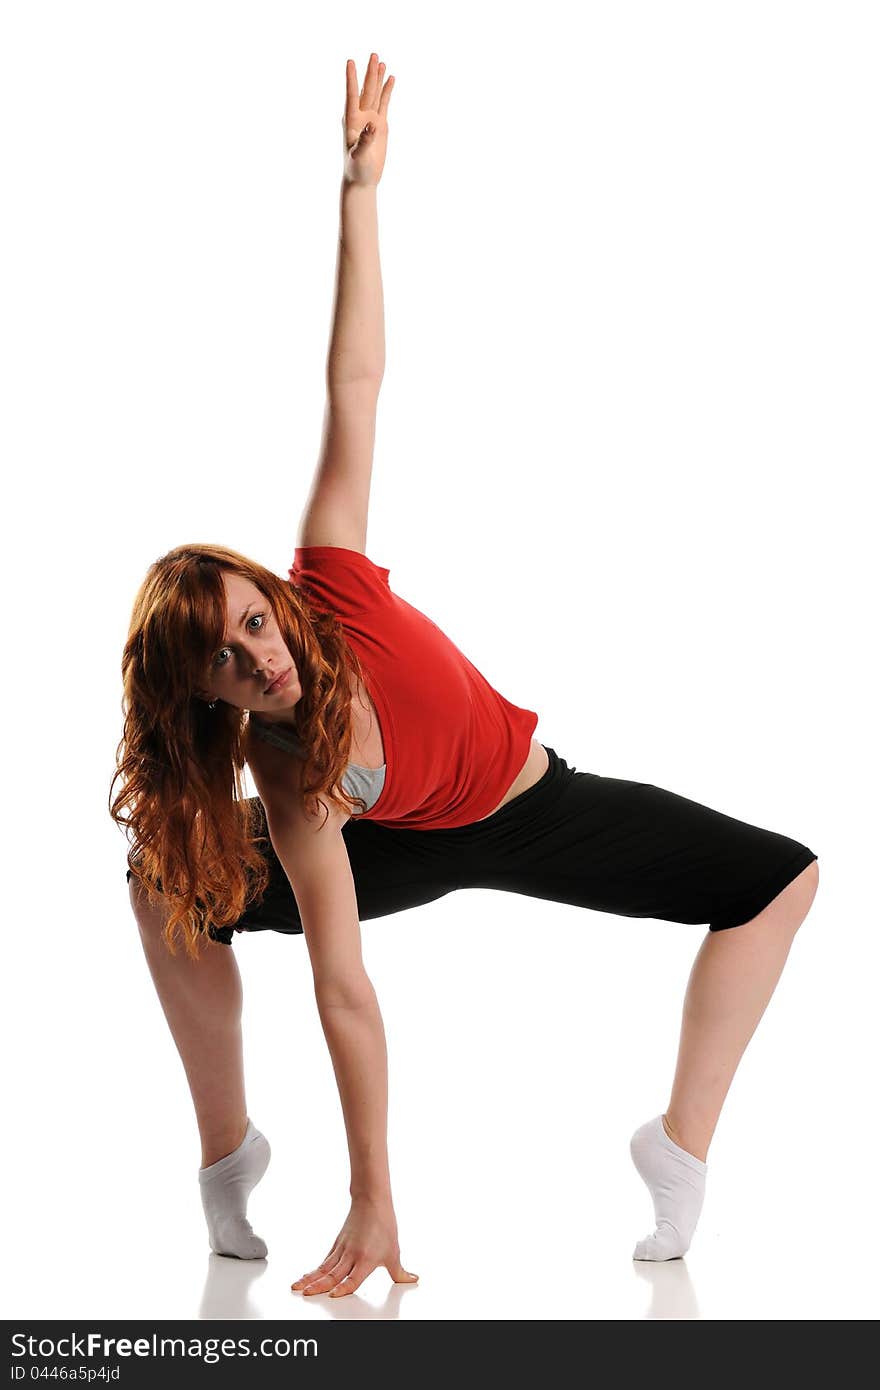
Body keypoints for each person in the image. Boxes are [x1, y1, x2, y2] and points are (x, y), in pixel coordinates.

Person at [110, 52, 819, 1298]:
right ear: (208, 701)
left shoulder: (331, 580)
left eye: (249, 624)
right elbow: (342, 987)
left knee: (777, 879)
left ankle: (676, 1149)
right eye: (223, 663)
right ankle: (228, 1157)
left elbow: (354, 382)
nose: (256, 658)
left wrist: (359, 191)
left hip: (529, 807)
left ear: (274, 601)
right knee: (162, 874)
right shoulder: (290, 775)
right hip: (392, 840)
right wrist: (373, 1192)